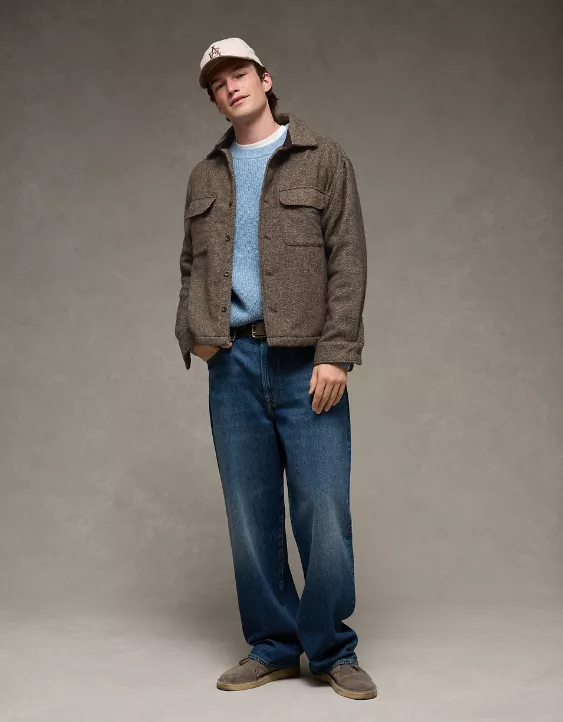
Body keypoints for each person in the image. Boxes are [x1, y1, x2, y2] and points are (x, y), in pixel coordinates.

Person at [174, 37, 376, 701]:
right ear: (214, 98)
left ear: (264, 79)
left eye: (239, 74)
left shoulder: (323, 158)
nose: (230, 87)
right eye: (217, 83)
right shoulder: (205, 176)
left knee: (323, 508)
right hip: (231, 363)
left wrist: (336, 353)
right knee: (248, 513)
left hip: (306, 362)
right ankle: (273, 645)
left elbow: (348, 259)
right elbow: (190, 267)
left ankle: (332, 647)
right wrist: (195, 335)